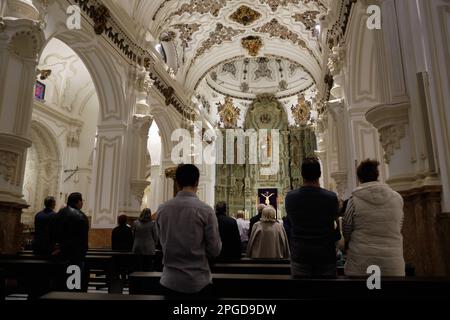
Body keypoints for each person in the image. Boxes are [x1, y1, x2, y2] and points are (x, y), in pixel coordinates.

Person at [156, 164, 221, 296]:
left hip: (169, 281)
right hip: (198, 282)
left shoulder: (162, 209)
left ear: (177, 182)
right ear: (197, 182)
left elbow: (160, 241)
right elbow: (215, 250)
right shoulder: (206, 211)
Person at [343, 159, 405, 276]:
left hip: (362, 261)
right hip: (391, 260)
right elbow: (399, 226)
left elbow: (347, 229)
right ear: (377, 175)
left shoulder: (353, 200)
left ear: (359, 178)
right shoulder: (397, 198)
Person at [285, 158, 340, 277]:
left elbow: (289, 225)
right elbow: (334, 225)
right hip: (325, 255)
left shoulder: (290, 198)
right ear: (320, 174)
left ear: (302, 174)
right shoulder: (331, 197)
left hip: (300, 254)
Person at [53, 192, 89, 291]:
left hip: (61, 254)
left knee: (61, 284)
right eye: (82, 201)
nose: (82, 203)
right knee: (74, 285)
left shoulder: (59, 214)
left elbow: (54, 234)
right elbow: (83, 239)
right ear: (78, 202)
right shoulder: (81, 216)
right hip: (76, 255)